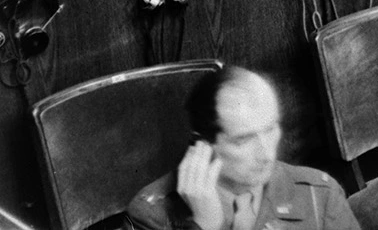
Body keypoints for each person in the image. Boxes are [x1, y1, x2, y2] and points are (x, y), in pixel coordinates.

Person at [126, 67, 359, 229]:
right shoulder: (152, 214)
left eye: (270, 130)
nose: (267, 154)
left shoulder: (319, 194)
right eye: (243, 140)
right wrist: (205, 225)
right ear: (203, 145)